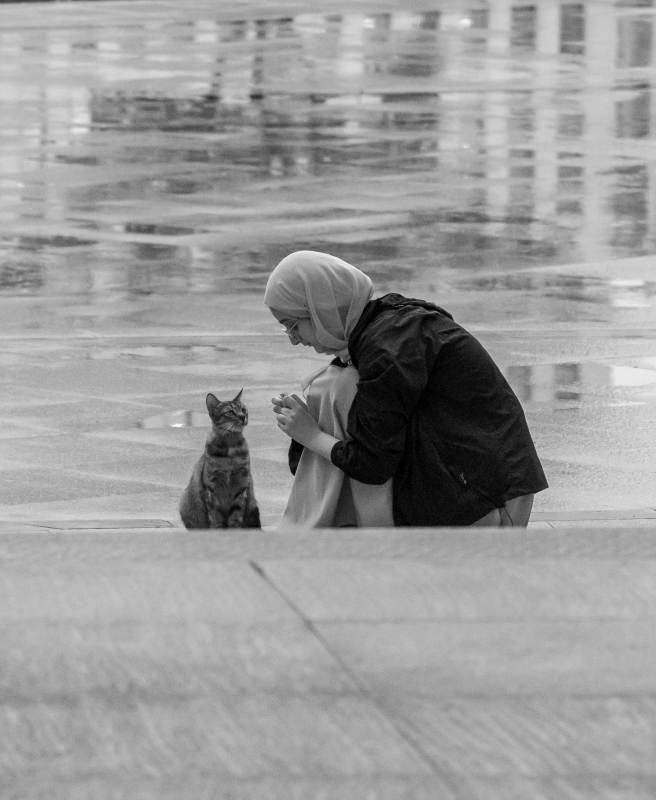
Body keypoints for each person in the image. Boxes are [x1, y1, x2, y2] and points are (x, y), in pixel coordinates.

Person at [265, 250, 548, 528]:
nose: (293, 340)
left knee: (339, 387)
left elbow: (371, 464)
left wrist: (310, 435)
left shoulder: (388, 350)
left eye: (293, 326)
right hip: (477, 490)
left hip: (491, 509)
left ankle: (361, 532)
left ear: (320, 309)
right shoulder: (380, 326)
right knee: (330, 384)